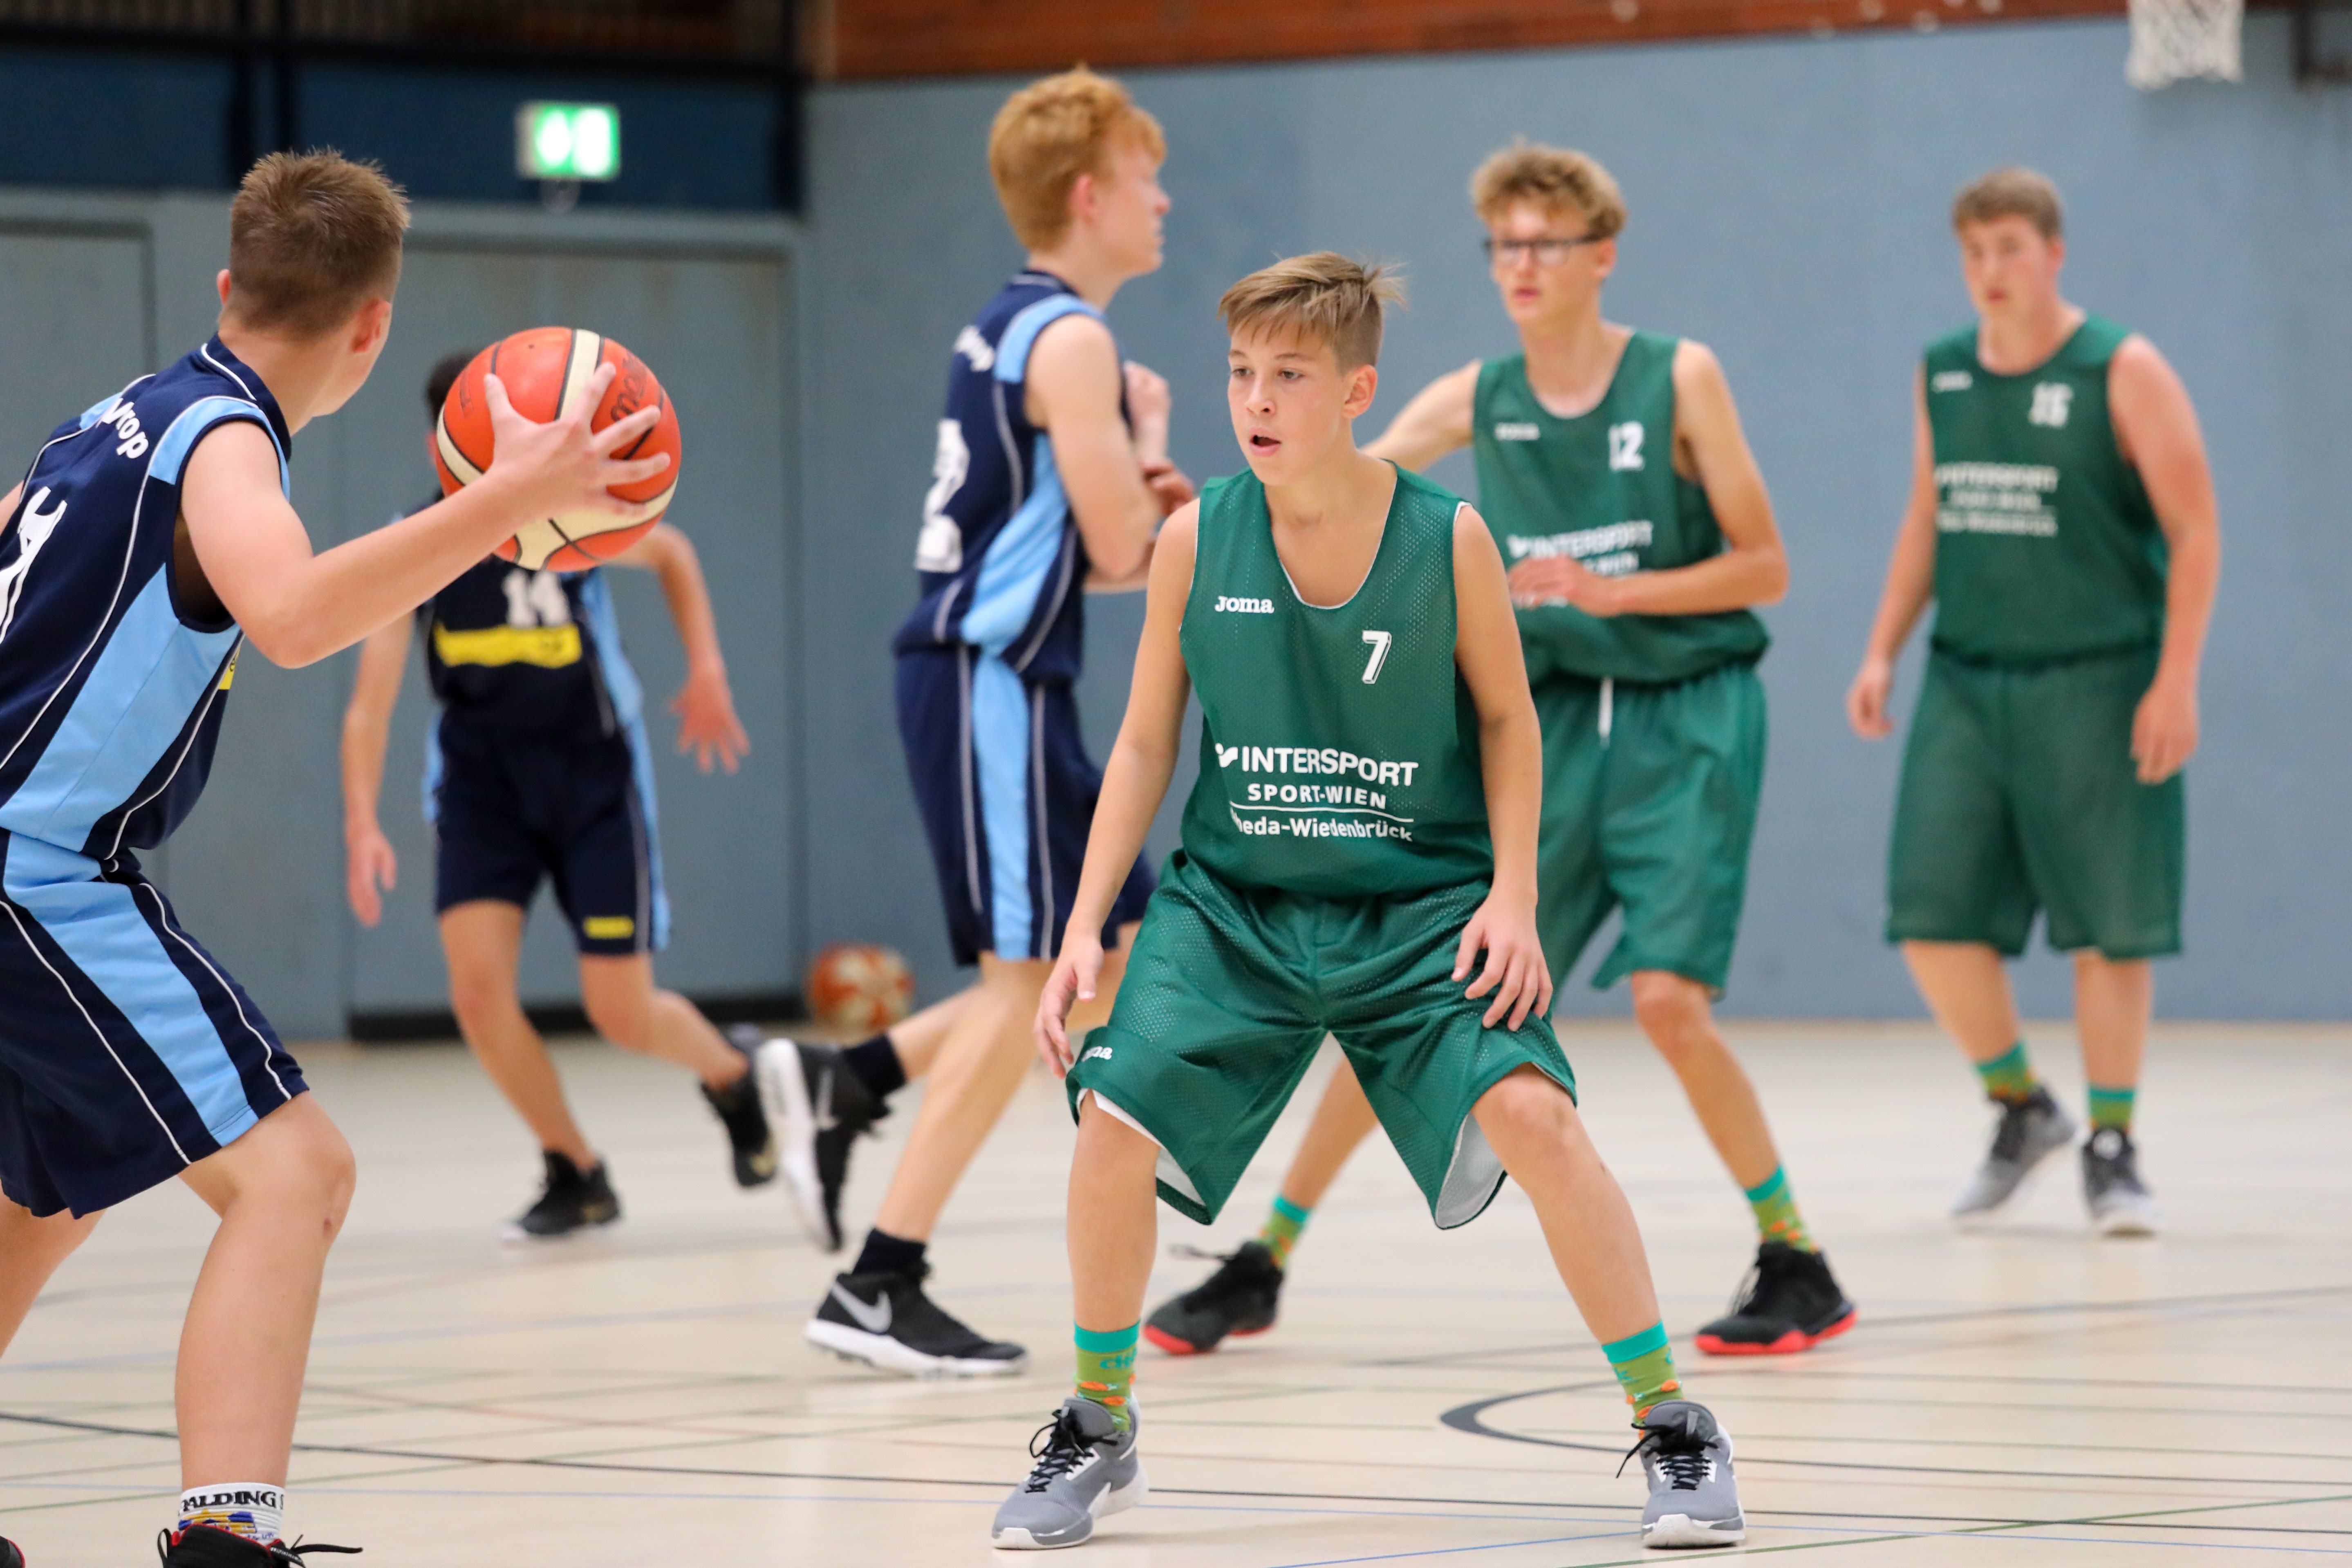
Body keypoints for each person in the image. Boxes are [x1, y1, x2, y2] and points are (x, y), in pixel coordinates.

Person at [992, 254, 1746, 1552]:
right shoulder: (1194, 538)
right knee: (1110, 1120)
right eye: (1241, 372)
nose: (1255, 399)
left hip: (1420, 903)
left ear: (1357, 392)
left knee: (1536, 1116)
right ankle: (1098, 1419)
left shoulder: (1447, 536)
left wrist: (1514, 894)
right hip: (1237, 905)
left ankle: (1674, 1421)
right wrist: (1079, 928)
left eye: (1288, 375)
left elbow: (1508, 720)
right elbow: (1145, 742)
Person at [0, 150, 668, 1568]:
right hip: (36, 866)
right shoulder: (225, 443)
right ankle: (226, 1540)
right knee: (296, 1173)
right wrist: (507, 499)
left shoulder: (105, 423)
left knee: (39, 1195)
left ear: (227, 285)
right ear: (374, 326)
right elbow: (297, 614)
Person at [1148, 141, 1853, 1362]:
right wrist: (1206, 503)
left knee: (1668, 1001)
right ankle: (1266, 1257)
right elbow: (1337, 469)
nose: (1520, 266)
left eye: (1544, 244)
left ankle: (1794, 1252)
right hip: (1553, 717)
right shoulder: (1479, 394)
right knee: (1436, 987)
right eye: (1503, 246)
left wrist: (1614, 591)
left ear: (1600, 255)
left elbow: (1767, 566)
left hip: (1683, 712)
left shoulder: (1679, 377)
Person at [789, 66, 1193, 1378]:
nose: (1163, 199)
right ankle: (878, 1279)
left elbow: (1090, 552)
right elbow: (1128, 552)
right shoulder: (1072, 343)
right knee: (1027, 981)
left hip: (1007, 681)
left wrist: (1140, 465)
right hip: (991, 681)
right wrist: (1180, 478)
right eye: (1145, 178)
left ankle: (853, 1079)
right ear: (1089, 196)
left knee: (1115, 943)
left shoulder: (1012, 325)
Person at [1846, 167, 2218, 1235]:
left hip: (2098, 678)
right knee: (1931, 917)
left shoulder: (2122, 367)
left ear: (2053, 252)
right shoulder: (1944, 370)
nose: (1990, 270)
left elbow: (2195, 529)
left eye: (2009, 247)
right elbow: (1927, 516)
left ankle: (2113, 1143)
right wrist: (1880, 650)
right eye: (1973, 252)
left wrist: (2176, 678)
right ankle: (2022, 1106)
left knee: (2110, 930)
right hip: (1968, 679)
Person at [342, 351, 774, 1242]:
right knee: (477, 994)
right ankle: (576, 1170)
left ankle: (734, 1076)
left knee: (621, 1010)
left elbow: (674, 552)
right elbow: (367, 706)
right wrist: (361, 822)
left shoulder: (569, 518)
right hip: (482, 784)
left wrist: (708, 669)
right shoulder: (416, 542)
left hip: (592, 773)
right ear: (441, 446)